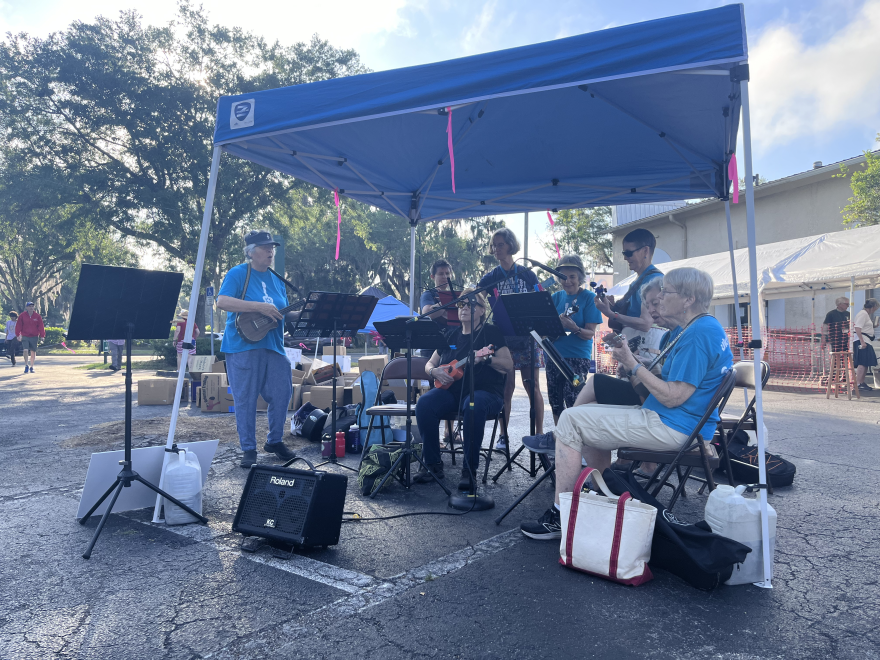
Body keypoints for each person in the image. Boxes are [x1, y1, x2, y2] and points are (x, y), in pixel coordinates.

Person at [520, 267, 732, 540]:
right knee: (584, 414)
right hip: (676, 421)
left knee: (572, 420)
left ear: (688, 299)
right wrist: (637, 364)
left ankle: (562, 516)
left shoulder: (698, 334)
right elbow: (677, 386)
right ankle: (602, 499)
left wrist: (632, 364)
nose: (661, 298)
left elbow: (673, 396)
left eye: (666, 292)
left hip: (674, 426)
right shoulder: (700, 328)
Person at [414, 289, 514, 492]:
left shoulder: (491, 333)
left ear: (482, 310)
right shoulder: (450, 333)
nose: (465, 308)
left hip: (487, 392)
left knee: (473, 405)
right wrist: (434, 372)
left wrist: (486, 358)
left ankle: (469, 471)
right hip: (452, 391)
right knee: (424, 404)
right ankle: (433, 465)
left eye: (470, 304)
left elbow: (508, 364)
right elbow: (429, 363)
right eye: (461, 305)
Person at [217, 230, 296, 468]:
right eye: (264, 247)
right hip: (243, 345)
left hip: (273, 345)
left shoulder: (277, 279)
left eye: (272, 247)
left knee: (283, 393)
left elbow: (282, 312)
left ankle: (274, 441)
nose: (270, 251)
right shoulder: (238, 273)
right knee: (246, 398)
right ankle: (248, 448)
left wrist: (305, 314)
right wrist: (258, 307)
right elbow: (222, 301)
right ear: (250, 252)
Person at [478, 227, 546, 440]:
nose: (496, 248)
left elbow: (541, 300)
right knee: (507, 387)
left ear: (510, 246)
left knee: (531, 386)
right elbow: (478, 299)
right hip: (503, 338)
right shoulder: (491, 276)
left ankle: (539, 433)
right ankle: (503, 435)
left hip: (527, 336)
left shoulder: (527, 273)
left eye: (500, 244)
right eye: (494, 245)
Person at [544, 255, 602, 424]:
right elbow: (545, 327)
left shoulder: (589, 298)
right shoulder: (555, 298)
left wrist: (574, 327)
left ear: (580, 278)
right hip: (554, 356)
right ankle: (560, 437)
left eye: (572, 277)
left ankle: (577, 441)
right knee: (555, 400)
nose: (567, 281)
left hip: (577, 358)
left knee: (574, 400)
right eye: (563, 277)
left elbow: (590, 333)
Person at [595, 227, 664, 361]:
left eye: (629, 252)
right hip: (639, 348)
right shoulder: (641, 280)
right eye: (624, 253)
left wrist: (611, 314)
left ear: (645, 250)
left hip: (644, 350)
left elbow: (645, 323)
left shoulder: (652, 281)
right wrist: (614, 307)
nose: (625, 257)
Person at [419, 259, 461, 357]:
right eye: (441, 274)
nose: (445, 277)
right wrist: (446, 302)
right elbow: (427, 313)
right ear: (432, 277)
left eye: (447, 273)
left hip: (452, 346)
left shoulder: (456, 296)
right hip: (432, 348)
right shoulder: (428, 294)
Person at [853, 298, 879, 391]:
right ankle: (859, 383)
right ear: (872, 307)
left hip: (866, 339)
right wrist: (862, 342)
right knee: (862, 362)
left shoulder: (865, 315)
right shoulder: (863, 314)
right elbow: (857, 328)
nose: (875, 310)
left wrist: (873, 326)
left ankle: (861, 382)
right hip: (862, 340)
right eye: (875, 308)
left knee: (866, 362)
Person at [15, 302, 45, 374]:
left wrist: (42, 336)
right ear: (27, 307)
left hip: (34, 336)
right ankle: (26, 365)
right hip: (25, 335)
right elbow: (18, 325)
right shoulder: (22, 315)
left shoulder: (37, 316)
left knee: (33, 351)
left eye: (32, 306)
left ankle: (31, 366)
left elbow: (41, 326)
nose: (31, 307)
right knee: (25, 350)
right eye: (29, 306)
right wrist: (18, 334)